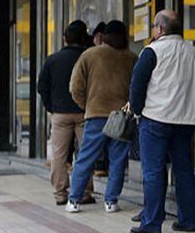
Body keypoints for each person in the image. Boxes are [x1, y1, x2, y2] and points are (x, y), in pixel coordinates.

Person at [128, 10, 195, 233]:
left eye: (153, 26)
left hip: (155, 119)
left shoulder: (152, 51)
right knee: (184, 171)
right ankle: (187, 220)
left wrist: (137, 111)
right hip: (186, 120)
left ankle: (151, 223)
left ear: (160, 29)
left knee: (153, 171)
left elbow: (137, 86)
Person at [66, 20, 138, 213]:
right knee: (117, 161)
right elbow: (137, 88)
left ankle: (73, 200)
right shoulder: (131, 58)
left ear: (104, 36)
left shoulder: (89, 54)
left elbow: (75, 87)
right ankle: (111, 201)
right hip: (121, 117)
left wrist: (87, 105)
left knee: (85, 158)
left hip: (96, 114)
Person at [38, 21, 94, 206]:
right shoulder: (87, 57)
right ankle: (85, 192)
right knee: (85, 153)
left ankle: (61, 193)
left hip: (60, 113)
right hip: (84, 112)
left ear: (65, 39)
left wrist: (52, 107)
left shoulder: (53, 59)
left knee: (59, 155)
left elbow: (42, 87)